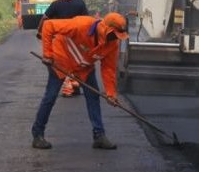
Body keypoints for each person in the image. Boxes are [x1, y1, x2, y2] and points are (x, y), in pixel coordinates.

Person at [31, 12, 129, 150]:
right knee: (51, 96)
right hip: (61, 59)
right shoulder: (81, 25)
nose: (115, 38)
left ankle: (99, 136)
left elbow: (108, 69)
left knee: (93, 97)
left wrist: (111, 93)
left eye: (117, 36)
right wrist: (47, 54)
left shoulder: (112, 44)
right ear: (104, 28)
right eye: (113, 35)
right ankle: (37, 135)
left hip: (83, 66)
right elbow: (48, 25)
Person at [37, 0, 89, 97]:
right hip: (76, 39)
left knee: (62, 65)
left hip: (60, 39)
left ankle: (68, 88)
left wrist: (39, 31)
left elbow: (45, 18)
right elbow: (86, 21)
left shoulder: (56, 4)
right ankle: (75, 84)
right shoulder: (80, 3)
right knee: (75, 63)